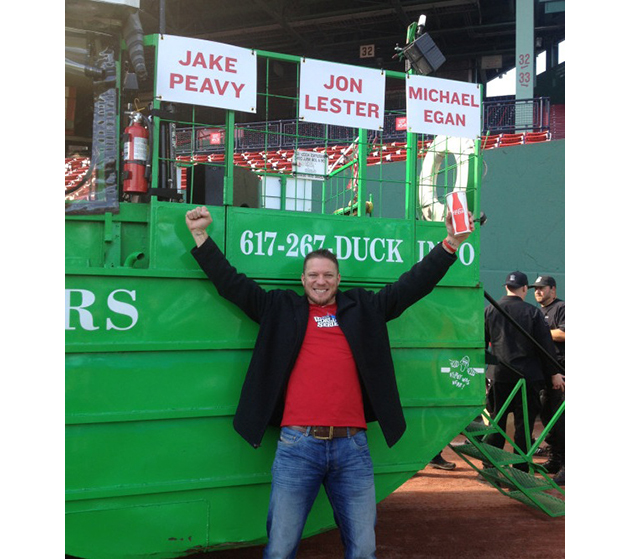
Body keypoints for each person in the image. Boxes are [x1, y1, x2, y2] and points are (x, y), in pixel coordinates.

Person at [185, 205, 474, 559]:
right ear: (302, 280)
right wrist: (200, 235)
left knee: (363, 549)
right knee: (279, 549)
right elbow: (232, 284)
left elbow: (411, 286)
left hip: (352, 449)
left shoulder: (364, 308)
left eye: (327, 275)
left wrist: (450, 243)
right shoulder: (280, 309)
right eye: (313, 275)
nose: (320, 281)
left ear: (338, 280)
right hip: (297, 446)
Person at [483, 272, 564, 472]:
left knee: (497, 422)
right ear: (525, 289)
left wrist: (488, 370)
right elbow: (544, 347)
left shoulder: (489, 310)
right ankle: (519, 470)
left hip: (498, 375)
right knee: (523, 426)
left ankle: (490, 467)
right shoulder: (533, 313)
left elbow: (480, 345)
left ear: (505, 287)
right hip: (527, 378)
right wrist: (554, 373)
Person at [531, 275, 565, 485]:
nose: (538, 291)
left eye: (542, 288)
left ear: (552, 289)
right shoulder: (537, 312)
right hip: (544, 371)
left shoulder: (561, 308)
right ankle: (555, 459)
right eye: (535, 288)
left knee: (562, 419)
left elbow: (564, 334)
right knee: (547, 416)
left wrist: (541, 333)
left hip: (562, 370)